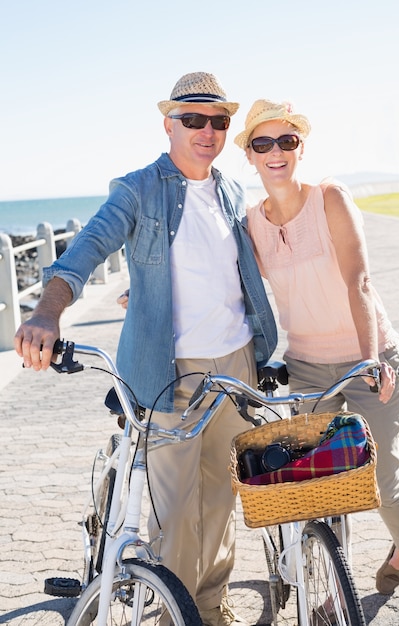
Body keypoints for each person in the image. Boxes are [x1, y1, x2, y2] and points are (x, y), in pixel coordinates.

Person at [14, 73, 278, 626]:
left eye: (217, 121)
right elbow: (86, 250)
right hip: (166, 369)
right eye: (192, 119)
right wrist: (46, 312)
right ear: (169, 125)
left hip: (235, 362)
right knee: (176, 510)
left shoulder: (231, 190)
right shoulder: (138, 189)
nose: (206, 131)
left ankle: (210, 605)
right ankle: (173, 615)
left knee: (224, 497)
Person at [233, 98, 399, 596]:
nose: (275, 152)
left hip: (368, 355)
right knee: (321, 479)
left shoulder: (330, 197)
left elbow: (358, 281)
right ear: (249, 155)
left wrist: (370, 359)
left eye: (286, 141)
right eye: (262, 143)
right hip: (308, 367)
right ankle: (337, 574)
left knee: (379, 473)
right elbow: (230, 284)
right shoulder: (252, 223)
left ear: (300, 148)